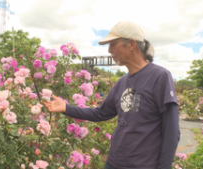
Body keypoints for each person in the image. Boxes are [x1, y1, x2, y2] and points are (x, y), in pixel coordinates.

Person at [43, 21, 180, 169]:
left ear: (131, 44)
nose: (109, 51)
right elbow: (101, 113)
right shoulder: (122, 82)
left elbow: (171, 132)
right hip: (114, 162)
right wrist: (66, 108)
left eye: (113, 44)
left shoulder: (159, 77)